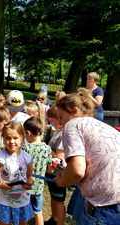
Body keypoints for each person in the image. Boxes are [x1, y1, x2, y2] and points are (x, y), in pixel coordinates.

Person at [55, 92, 120, 225]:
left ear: (73, 110)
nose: (60, 123)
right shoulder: (105, 127)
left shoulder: (73, 125)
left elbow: (77, 171)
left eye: (61, 117)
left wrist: (61, 181)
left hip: (105, 207)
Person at [0, 123, 34, 225]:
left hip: (22, 200)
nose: (12, 141)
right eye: (8, 138)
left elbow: (30, 176)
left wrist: (29, 183)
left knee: (22, 223)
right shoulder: (0, 158)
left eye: (15, 138)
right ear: (3, 138)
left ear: (22, 137)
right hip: (5, 201)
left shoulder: (27, 157)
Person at [23, 117, 52, 225]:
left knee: (23, 211)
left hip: (25, 186)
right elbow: (49, 169)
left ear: (28, 133)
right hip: (39, 187)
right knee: (38, 211)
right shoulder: (47, 149)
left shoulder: (25, 148)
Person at [44, 106, 67, 225]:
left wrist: (46, 149)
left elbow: (60, 157)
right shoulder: (57, 131)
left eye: (51, 119)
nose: (49, 122)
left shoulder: (64, 134)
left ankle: (60, 222)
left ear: (59, 119)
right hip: (52, 172)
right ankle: (54, 219)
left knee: (58, 200)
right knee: (54, 197)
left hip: (58, 172)